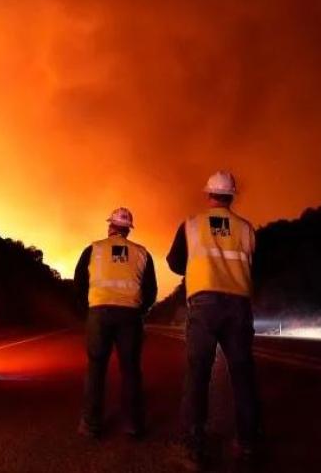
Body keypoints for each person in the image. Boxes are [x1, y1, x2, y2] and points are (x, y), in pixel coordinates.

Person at [167, 171, 262, 465]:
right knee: (243, 374)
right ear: (232, 195)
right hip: (238, 305)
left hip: (204, 304)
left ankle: (192, 445)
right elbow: (254, 262)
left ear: (208, 195)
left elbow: (174, 262)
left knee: (198, 374)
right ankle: (248, 443)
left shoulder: (191, 225)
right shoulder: (247, 229)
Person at [74, 207, 157, 439]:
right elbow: (151, 290)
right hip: (130, 315)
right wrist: (140, 309)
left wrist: (88, 307)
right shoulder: (142, 253)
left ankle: (91, 424)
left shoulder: (94, 249)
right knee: (130, 370)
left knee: (96, 368)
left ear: (110, 226)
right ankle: (132, 424)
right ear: (128, 230)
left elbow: (79, 282)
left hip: (99, 313)